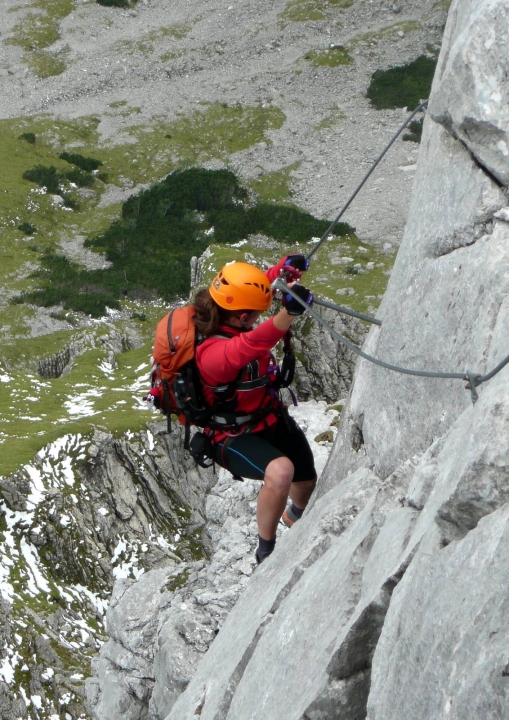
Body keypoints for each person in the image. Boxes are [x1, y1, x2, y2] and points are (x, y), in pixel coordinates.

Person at [193, 256, 317, 563]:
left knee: (306, 481)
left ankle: (296, 515)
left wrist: (282, 271)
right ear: (242, 316)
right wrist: (288, 313)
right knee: (281, 471)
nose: (259, 317)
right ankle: (266, 552)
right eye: (256, 315)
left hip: (268, 416)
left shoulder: (227, 305)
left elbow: (249, 289)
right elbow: (249, 346)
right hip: (230, 435)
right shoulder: (211, 353)